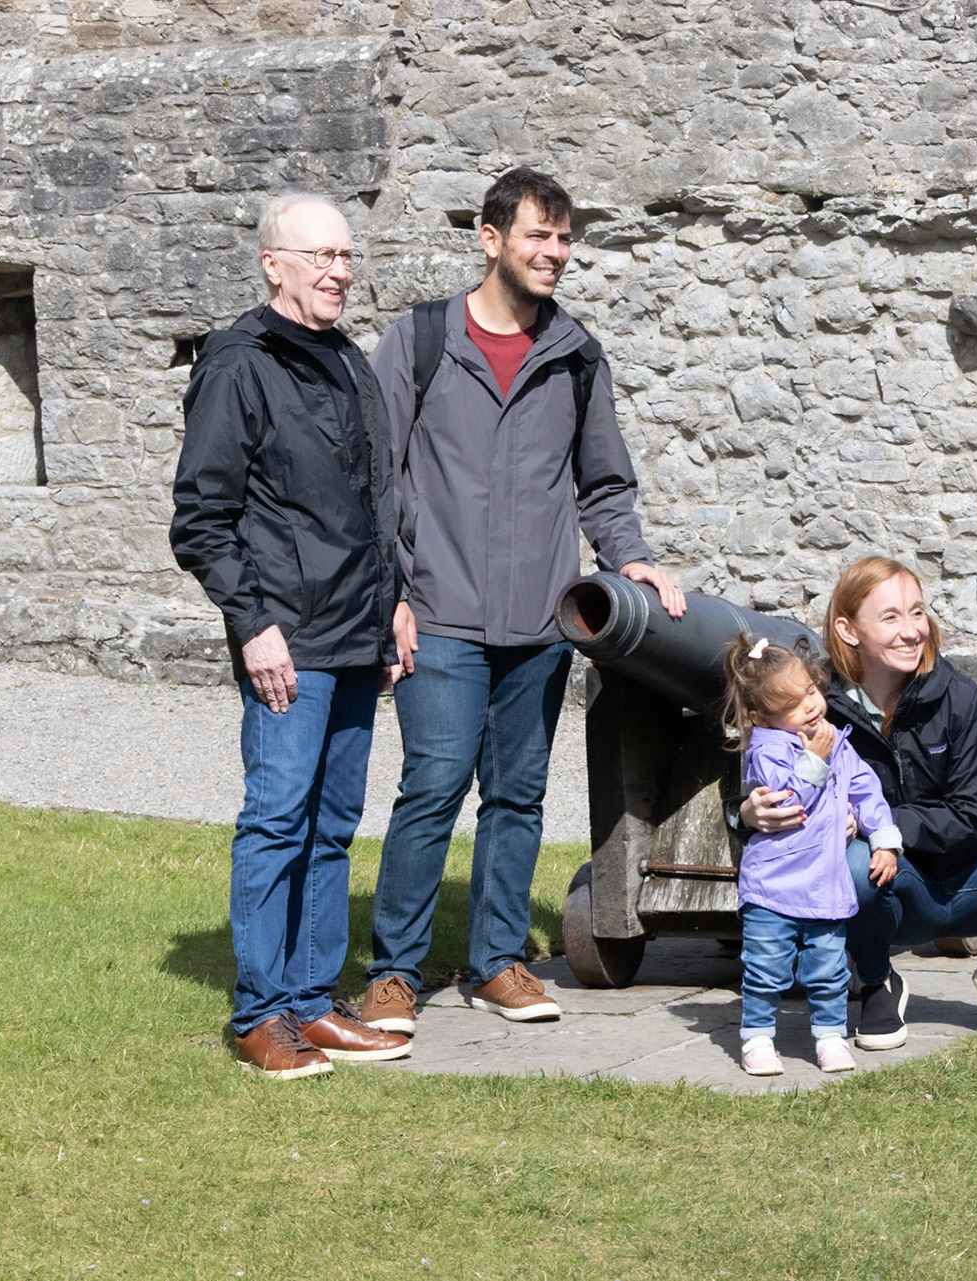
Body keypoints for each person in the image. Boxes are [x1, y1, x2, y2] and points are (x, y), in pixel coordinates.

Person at [359, 167, 685, 1035]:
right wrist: (390, 595)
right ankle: (394, 972)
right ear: (489, 236)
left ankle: (499, 960)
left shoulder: (576, 354)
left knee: (518, 794)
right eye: (540, 235)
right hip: (440, 613)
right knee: (433, 785)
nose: (556, 253)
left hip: (541, 623)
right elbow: (375, 480)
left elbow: (605, 484)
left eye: (565, 238)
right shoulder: (420, 342)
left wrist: (633, 560)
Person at [170, 192, 414, 1078]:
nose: (339, 272)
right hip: (288, 641)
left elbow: (369, 502)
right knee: (276, 823)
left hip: (355, 633)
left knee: (332, 825)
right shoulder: (239, 363)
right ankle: (259, 1013)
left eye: (347, 256)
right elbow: (202, 516)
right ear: (274, 262)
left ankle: (313, 1003)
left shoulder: (348, 361)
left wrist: (393, 603)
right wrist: (252, 624)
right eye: (321, 256)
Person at [740, 556, 977, 1051]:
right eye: (890, 617)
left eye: (917, 612)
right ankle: (875, 980)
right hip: (886, 889)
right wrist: (745, 814)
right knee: (849, 862)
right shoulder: (809, 703)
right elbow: (761, 777)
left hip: (970, 876)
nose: (913, 630)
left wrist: (880, 824)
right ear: (847, 630)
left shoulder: (961, 697)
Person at [722, 635, 904, 1077]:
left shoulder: (833, 740)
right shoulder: (766, 749)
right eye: (791, 704)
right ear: (760, 717)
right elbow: (787, 801)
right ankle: (758, 1038)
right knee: (765, 969)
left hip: (824, 884)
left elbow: (866, 789)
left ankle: (829, 1036)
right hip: (774, 887)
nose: (809, 706)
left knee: (828, 971)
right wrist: (815, 759)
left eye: (810, 692)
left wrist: (884, 837)